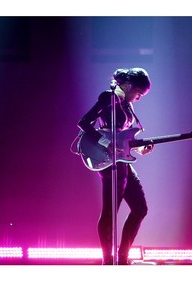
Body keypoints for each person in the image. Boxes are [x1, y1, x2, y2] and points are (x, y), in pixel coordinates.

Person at [77, 67, 153, 265]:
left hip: (121, 161)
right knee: (110, 213)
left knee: (140, 209)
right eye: (139, 93)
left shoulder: (128, 106)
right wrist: (105, 143)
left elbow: (122, 139)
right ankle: (108, 261)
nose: (139, 98)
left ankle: (122, 257)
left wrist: (139, 149)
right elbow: (84, 122)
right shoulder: (108, 98)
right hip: (108, 161)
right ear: (128, 86)